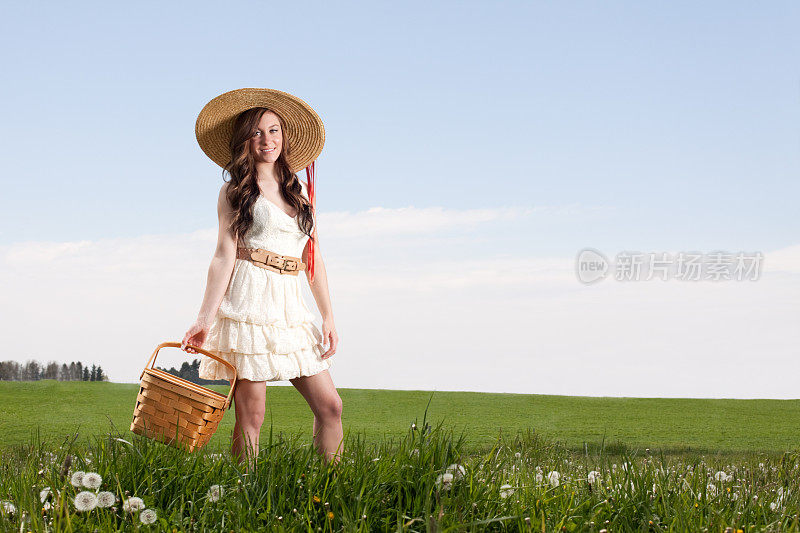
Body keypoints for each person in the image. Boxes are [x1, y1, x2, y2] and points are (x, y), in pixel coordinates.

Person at [181, 88, 343, 468]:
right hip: (249, 301)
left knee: (331, 407)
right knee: (251, 417)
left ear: (284, 136)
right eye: (256, 133)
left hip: (291, 307)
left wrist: (329, 317)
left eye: (273, 130)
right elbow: (223, 256)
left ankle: (331, 489)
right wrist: (204, 320)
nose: (267, 140)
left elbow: (312, 259)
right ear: (244, 141)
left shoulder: (299, 191)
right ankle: (243, 500)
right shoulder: (235, 191)